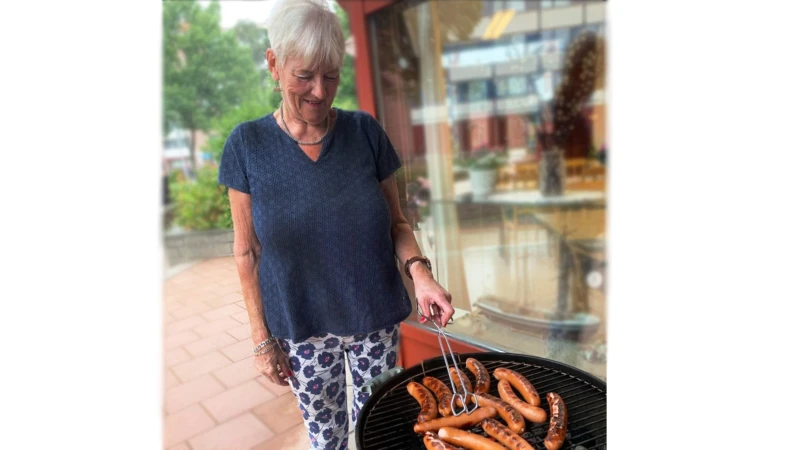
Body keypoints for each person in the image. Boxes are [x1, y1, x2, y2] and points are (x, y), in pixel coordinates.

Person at [216, 1, 454, 448]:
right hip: (300, 328)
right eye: (304, 75)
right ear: (274, 64)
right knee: (327, 438)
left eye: (331, 75)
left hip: (373, 320)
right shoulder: (246, 144)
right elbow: (247, 251)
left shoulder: (365, 132)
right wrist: (260, 337)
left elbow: (396, 222)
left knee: (380, 430)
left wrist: (421, 276)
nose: (320, 91)